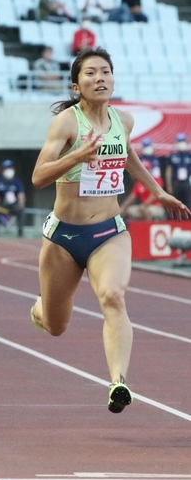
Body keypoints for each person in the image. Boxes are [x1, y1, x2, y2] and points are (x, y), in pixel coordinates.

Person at [29, 47, 189, 414]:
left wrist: (158, 191)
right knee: (56, 326)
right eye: (90, 73)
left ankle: (118, 382)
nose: (99, 78)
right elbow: (38, 177)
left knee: (113, 296)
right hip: (64, 237)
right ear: (76, 85)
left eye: (105, 71)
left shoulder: (124, 120)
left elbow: (128, 156)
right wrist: (76, 157)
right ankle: (40, 308)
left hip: (109, 231)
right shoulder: (67, 123)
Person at [0, 159, 26, 237]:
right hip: (2, 205)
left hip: (13, 206)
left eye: (10, 168)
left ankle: (20, 232)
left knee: (21, 211)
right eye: (6, 168)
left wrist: (21, 205)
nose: (9, 170)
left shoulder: (17, 182)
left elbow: (21, 195)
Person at [165, 133, 191, 212]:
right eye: (179, 141)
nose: (181, 143)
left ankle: (188, 222)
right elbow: (169, 171)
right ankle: (177, 220)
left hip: (187, 182)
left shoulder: (189, 155)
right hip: (176, 182)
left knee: (188, 202)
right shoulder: (173, 156)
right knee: (177, 203)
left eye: (182, 141)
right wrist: (169, 185)